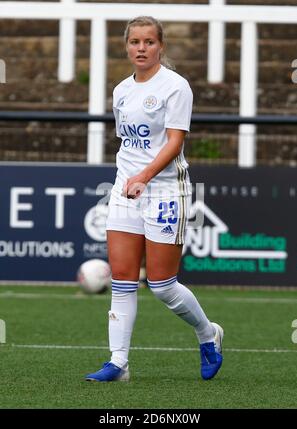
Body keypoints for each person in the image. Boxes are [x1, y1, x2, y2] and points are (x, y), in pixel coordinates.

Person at [85, 16, 223, 382]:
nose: (141, 48)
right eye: (135, 42)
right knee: (123, 279)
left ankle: (208, 335)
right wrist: (130, 180)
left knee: (162, 285)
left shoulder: (176, 87)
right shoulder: (120, 91)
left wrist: (144, 177)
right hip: (124, 190)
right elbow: (129, 143)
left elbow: (175, 142)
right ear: (126, 46)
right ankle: (118, 363)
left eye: (148, 42)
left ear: (161, 46)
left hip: (164, 191)